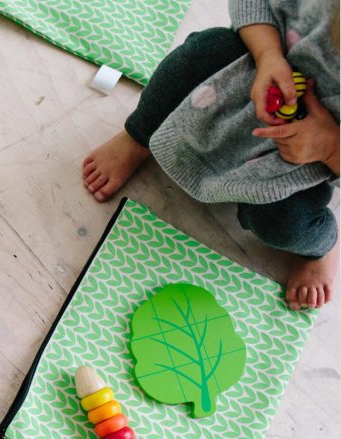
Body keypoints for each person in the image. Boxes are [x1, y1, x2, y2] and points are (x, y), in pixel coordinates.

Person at [82, 0, 340, 311]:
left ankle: (320, 249)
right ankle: (138, 136)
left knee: (285, 224)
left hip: (301, 161)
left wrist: (328, 147)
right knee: (206, 50)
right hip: (248, 72)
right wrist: (268, 55)